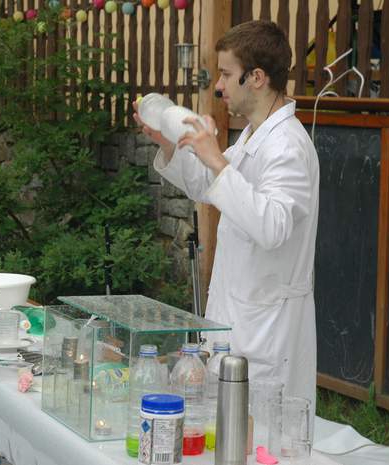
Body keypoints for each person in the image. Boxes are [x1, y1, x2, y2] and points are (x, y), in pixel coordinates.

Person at [134, 20, 319, 409]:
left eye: (226, 74)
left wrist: (217, 161)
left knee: (260, 431)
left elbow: (273, 226)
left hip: (268, 334)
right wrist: (168, 144)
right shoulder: (254, 136)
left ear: (256, 78)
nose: (218, 86)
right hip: (238, 322)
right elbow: (207, 185)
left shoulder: (287, 147)